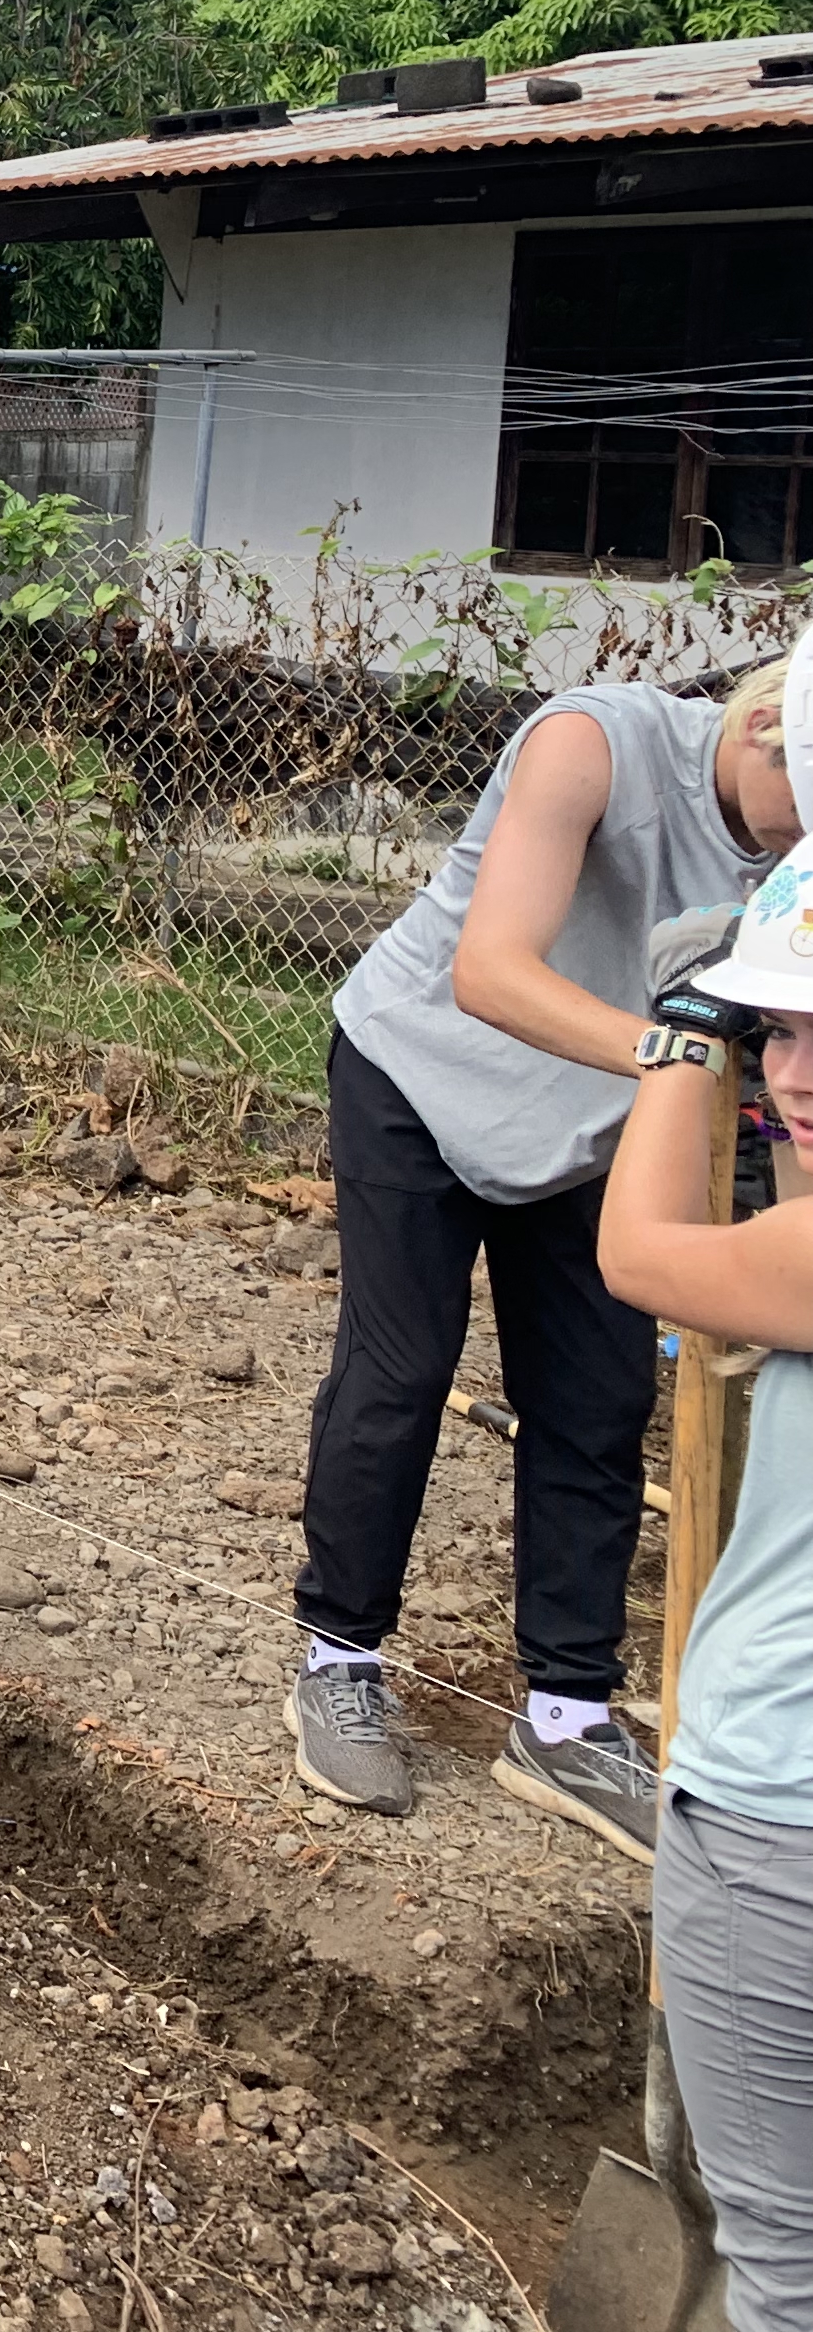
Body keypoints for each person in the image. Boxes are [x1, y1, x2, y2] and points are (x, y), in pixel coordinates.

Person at [290, 659, 794, 1860]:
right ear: (767, 730)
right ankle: (338, 1660)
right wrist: (682, 1058)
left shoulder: (797, 842)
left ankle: (566, 1719)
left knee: (600, 1396)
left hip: (592, 1121)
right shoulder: (593, 743)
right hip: (423, 1074)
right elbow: (491, 971)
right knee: (400, 1371)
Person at [597, 847, 813, 2332]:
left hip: (775, 1819)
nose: (792, 1071)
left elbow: (640, 1253)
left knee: (782, 2275)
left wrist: (690, 1034)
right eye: (780, 1029)